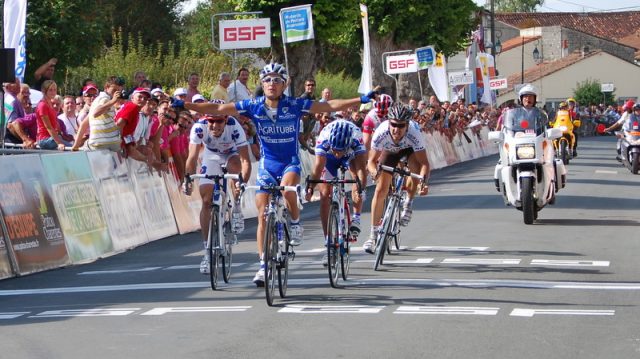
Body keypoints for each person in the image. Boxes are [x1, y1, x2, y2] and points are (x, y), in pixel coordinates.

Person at [179, 62, 379, 286]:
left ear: (284, 84)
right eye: (267, 80)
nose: (271, 84)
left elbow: (329, 105)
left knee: (287, 190)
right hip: (267, 163)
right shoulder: (253, 105)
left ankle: (294, 222)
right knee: (263, 212)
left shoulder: (294, 104)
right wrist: (184, 104)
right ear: (262, 84)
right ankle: (264, 265)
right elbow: (217, 110)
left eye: (276, 80)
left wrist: (360, 100)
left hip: (289, 162)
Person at [183, 100, 252, 274]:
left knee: (235, 172)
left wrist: (242, 182)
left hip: (232, 154)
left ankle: (236, 206)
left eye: (218, 121)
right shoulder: (199, 127)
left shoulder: (234, 127)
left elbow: (245, 160)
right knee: (206, 200)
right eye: (210, 121)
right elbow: (191, 157)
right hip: (211, 155)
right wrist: (187, 179)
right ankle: (207, 252)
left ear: (226, 119)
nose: (214, 125)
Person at [363, 103, 430, 254]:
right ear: (388, 122)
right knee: (380, 190)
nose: (396, 129)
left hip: (410, 150)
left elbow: (424, 164)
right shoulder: (381, 132)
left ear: (407, 125)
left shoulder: (415, 133)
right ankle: (372, 236)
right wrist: (375, 173)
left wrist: (423, 183)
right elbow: (371, 162)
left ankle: (408, 202)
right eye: (393, 124)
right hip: (390, 151)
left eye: (400, 126)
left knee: (414, 169)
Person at [304, 119, 367, 266]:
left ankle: (356, 217)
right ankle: (329, 243)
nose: (338, 153)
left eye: (340, 150)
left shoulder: (356, 138)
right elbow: (318, 167)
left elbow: (361, 169)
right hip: (328, 159)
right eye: (335, 150)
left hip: (350, 156)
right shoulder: (324, 139)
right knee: (325, 194)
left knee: (356, 180)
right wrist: (311, 188)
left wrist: (361, 188)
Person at [73, 76, 125, 152]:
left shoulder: (98, 100)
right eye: (114, 90)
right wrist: (112, 101)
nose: (115, 94)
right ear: (106, 87)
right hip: (111, 143)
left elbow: (84, 124)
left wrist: (75, 145)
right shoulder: (104, 99)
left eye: (118, 91)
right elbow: (96, 113)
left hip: (100, 144)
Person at [35, 80, 69, 150]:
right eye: (50, 90)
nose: (53, 92)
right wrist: (59, 143)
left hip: (51, 138)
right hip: (45, 139)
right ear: (44, 91)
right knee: (70, 148)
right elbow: (48, 127)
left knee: (72, 146)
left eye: (55, 90)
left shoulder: (50, 104)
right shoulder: (42, 105)